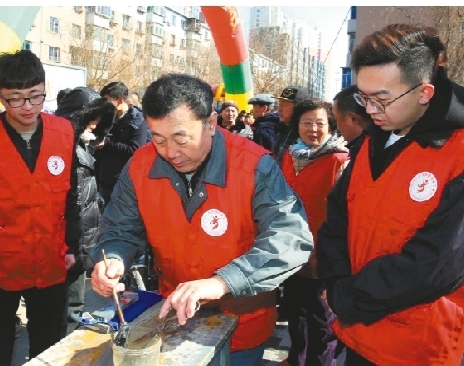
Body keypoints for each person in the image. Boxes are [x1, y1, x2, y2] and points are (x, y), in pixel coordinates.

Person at [90, 73, 314, 366]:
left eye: (181, 139)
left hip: (242, 326)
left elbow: (291, 238)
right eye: (158, 139)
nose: (170, 152)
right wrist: (114, 259)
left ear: (210, 123)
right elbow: (119, 227)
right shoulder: (141, 165)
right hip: (173, 319)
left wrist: (223, 282)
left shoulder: (254, 165)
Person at [317, 23, 464, 365]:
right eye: (363, 97)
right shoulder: (371, 140)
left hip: (417, 346)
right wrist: (335, 282)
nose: (369, 110)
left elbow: (438, 264)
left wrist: (345, 296)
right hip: (356, 330)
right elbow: (337, 218)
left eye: (381, 100)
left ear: (424, 93)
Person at [0, 49, 82, 366]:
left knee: (49, 347)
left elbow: (71, 197)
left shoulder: (64, 131)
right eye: (16, 99)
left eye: (35, 96)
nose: (28, 107)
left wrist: (73, 246)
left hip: (50, 262)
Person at [277, 99, 348, 366]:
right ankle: (297, 359)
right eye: (307, 122)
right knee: (296, 315)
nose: (313, 129)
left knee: (322, 323)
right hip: (292, 254)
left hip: (324, 256)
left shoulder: (340, 160)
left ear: (331, 126)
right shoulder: (289, 156)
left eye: (320, 123)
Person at [55, 88, 116, 337]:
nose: (95, 125)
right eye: (91, 118)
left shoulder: (82, 143)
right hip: (69, 241)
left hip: (81, 238)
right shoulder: (64, 147)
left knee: (74, 303)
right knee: (67, 306)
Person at [96, 81, 150, 207]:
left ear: (120, 100)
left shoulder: (138, 120)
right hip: (104, 179)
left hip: (123, 182)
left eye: (107, 101)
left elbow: (136, 149)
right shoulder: (108, 117)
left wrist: (107, 143)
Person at [272, 86, 310, 163]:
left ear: (298, 108)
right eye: (280, 104)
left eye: (284, 105)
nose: (279, 109)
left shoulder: (305, 135)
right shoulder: (283, 128)